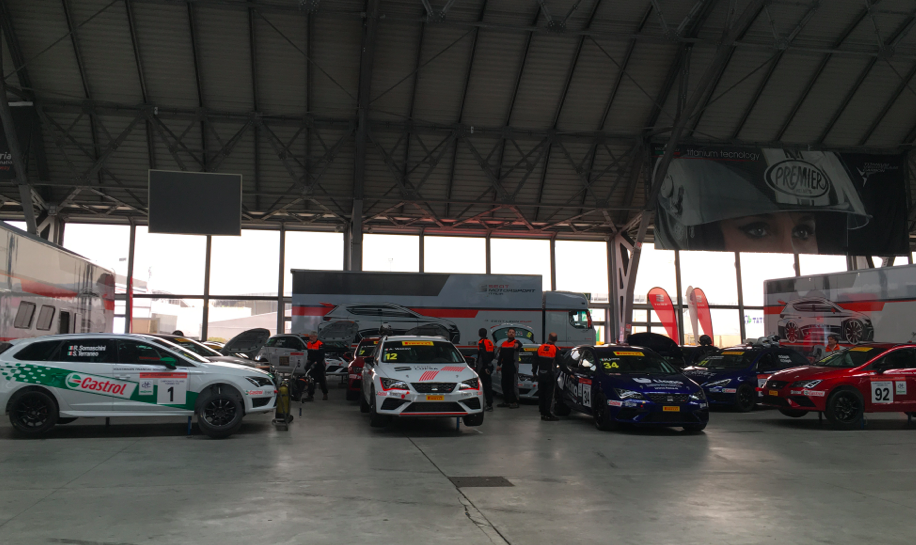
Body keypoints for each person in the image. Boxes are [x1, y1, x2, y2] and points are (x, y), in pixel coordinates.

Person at [533, 333, 559, 421]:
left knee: (542, 394)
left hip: (541, 374)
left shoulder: (540, 348)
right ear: (556, 340)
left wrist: (534, 372)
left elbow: (535, 361)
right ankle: (549, 414)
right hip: (550, 375)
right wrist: (569, 372)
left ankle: (543, 413)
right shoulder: (555, 349)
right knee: (549, 395)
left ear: (548, 338)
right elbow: (561, 363)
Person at [496, 328, 522, 409]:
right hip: (505, 366)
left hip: (512, 366)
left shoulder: (516, 343)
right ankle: (507, 401)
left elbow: (520, 344)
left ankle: (515, 401)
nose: (511, 333)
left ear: (514, 334)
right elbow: (501, 356)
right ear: (507, 334)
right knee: (504, 384)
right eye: (510, 332)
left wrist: (517, 343)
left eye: (513, 332)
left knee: (513, 384)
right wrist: (498, 364)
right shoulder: (504, 344)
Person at [304, 331, 328, 401]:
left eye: (312, 337)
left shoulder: (320, 344)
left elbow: (321, 356)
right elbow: (309, 354)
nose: (310, 338)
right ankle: (310, 395)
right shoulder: (308, 344)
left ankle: (325, 393)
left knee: (321, 380)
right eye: (310, 337)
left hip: (319, 364)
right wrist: (308, 362)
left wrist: (316, 362)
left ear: (315, 337)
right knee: (311, 380)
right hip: (311, 364)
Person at [476, 328, 496, 412]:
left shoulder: (481, 342)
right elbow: (493, 355)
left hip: (483, 368)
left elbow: (483, 355)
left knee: (481, 386)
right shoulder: (490, 342)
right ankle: (489, 403)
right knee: (488, 386)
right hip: (489, 365)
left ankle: (487, 404)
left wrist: (485, 367)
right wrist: (489, 365)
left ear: (479, 334)